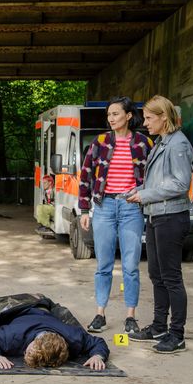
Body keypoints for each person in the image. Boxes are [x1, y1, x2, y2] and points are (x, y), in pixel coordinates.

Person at [78, 97, 154, 334]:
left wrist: (146, 198)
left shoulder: (144, 143)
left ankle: (130, 316)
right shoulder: (100, 142)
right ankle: (100, 314)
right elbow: (86, 175)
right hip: (104, 207)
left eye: (115, 114)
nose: (110, 118)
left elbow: (154, 176)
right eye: (109, 115)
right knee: (104, 264)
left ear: (128, 116)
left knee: (131, 266)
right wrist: (84, 209)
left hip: (131, 207)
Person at [126, 95, 193, 354]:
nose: (145, 123)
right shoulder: (161, 143)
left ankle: (177, 335)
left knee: (171, 277)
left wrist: (145, 195)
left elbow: (180, 184)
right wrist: (137, 191)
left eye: (149, 118)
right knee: (157, 275)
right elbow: (157, 182)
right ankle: (158, 327)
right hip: (156, 216)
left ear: (164, 117)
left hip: (171, 218)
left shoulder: (178, 144)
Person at [0, 306, 109, 370]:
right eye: (28, 352)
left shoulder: (74, 337)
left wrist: (98, 356)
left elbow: (98, 342)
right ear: (34, 342)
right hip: (24, 308)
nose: (25, 353)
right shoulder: (10, 336)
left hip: (45, 314)